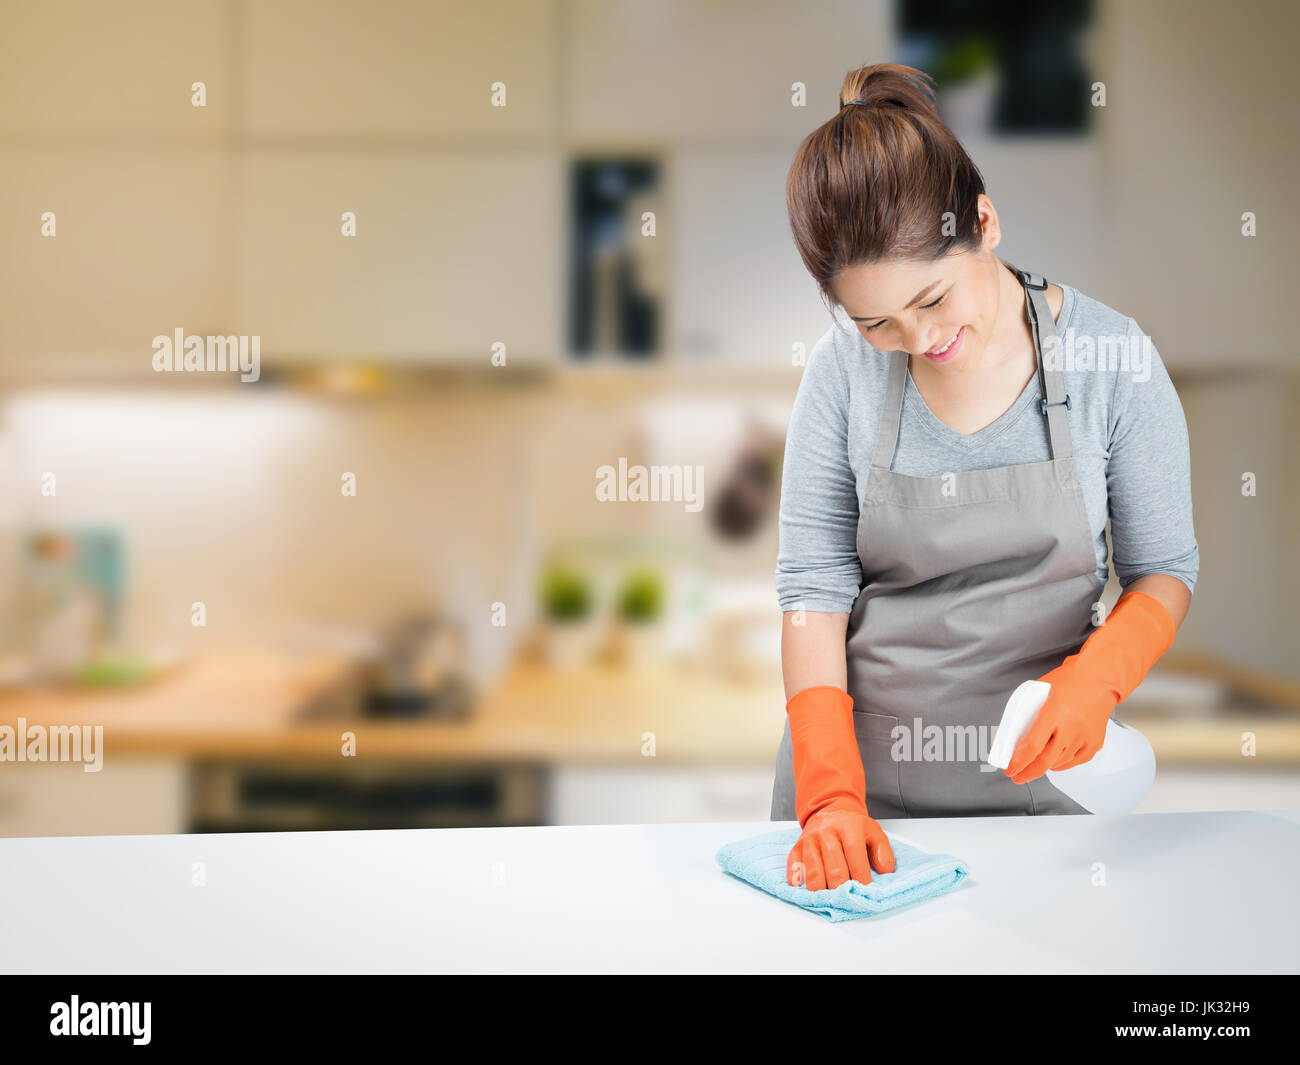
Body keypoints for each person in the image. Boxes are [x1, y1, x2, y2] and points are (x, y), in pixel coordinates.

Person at [771, 64, 1198, 891]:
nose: (918, 336)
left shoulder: (1114, 361)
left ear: (986, 221)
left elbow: (1164, 574)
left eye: (931, 298)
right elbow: (812, 594)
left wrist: (1096, 676)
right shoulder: (840, 375)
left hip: (1047, 804)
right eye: (875, 322)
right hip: (866, 819)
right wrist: (828, 798)